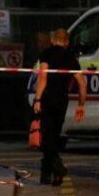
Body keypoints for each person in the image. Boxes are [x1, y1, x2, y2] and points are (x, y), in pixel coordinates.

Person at [33, 29, 87, 185]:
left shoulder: (46, 54)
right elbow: (82, 84)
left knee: (46, 137)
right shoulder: (70, 57)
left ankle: (57, 169)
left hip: (48, 98)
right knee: (54, 136)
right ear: (67, 42)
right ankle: (47, 175)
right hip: (62, 99)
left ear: (52, 40)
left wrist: (37, 99)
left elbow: (43, 77)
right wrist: (81, 105)